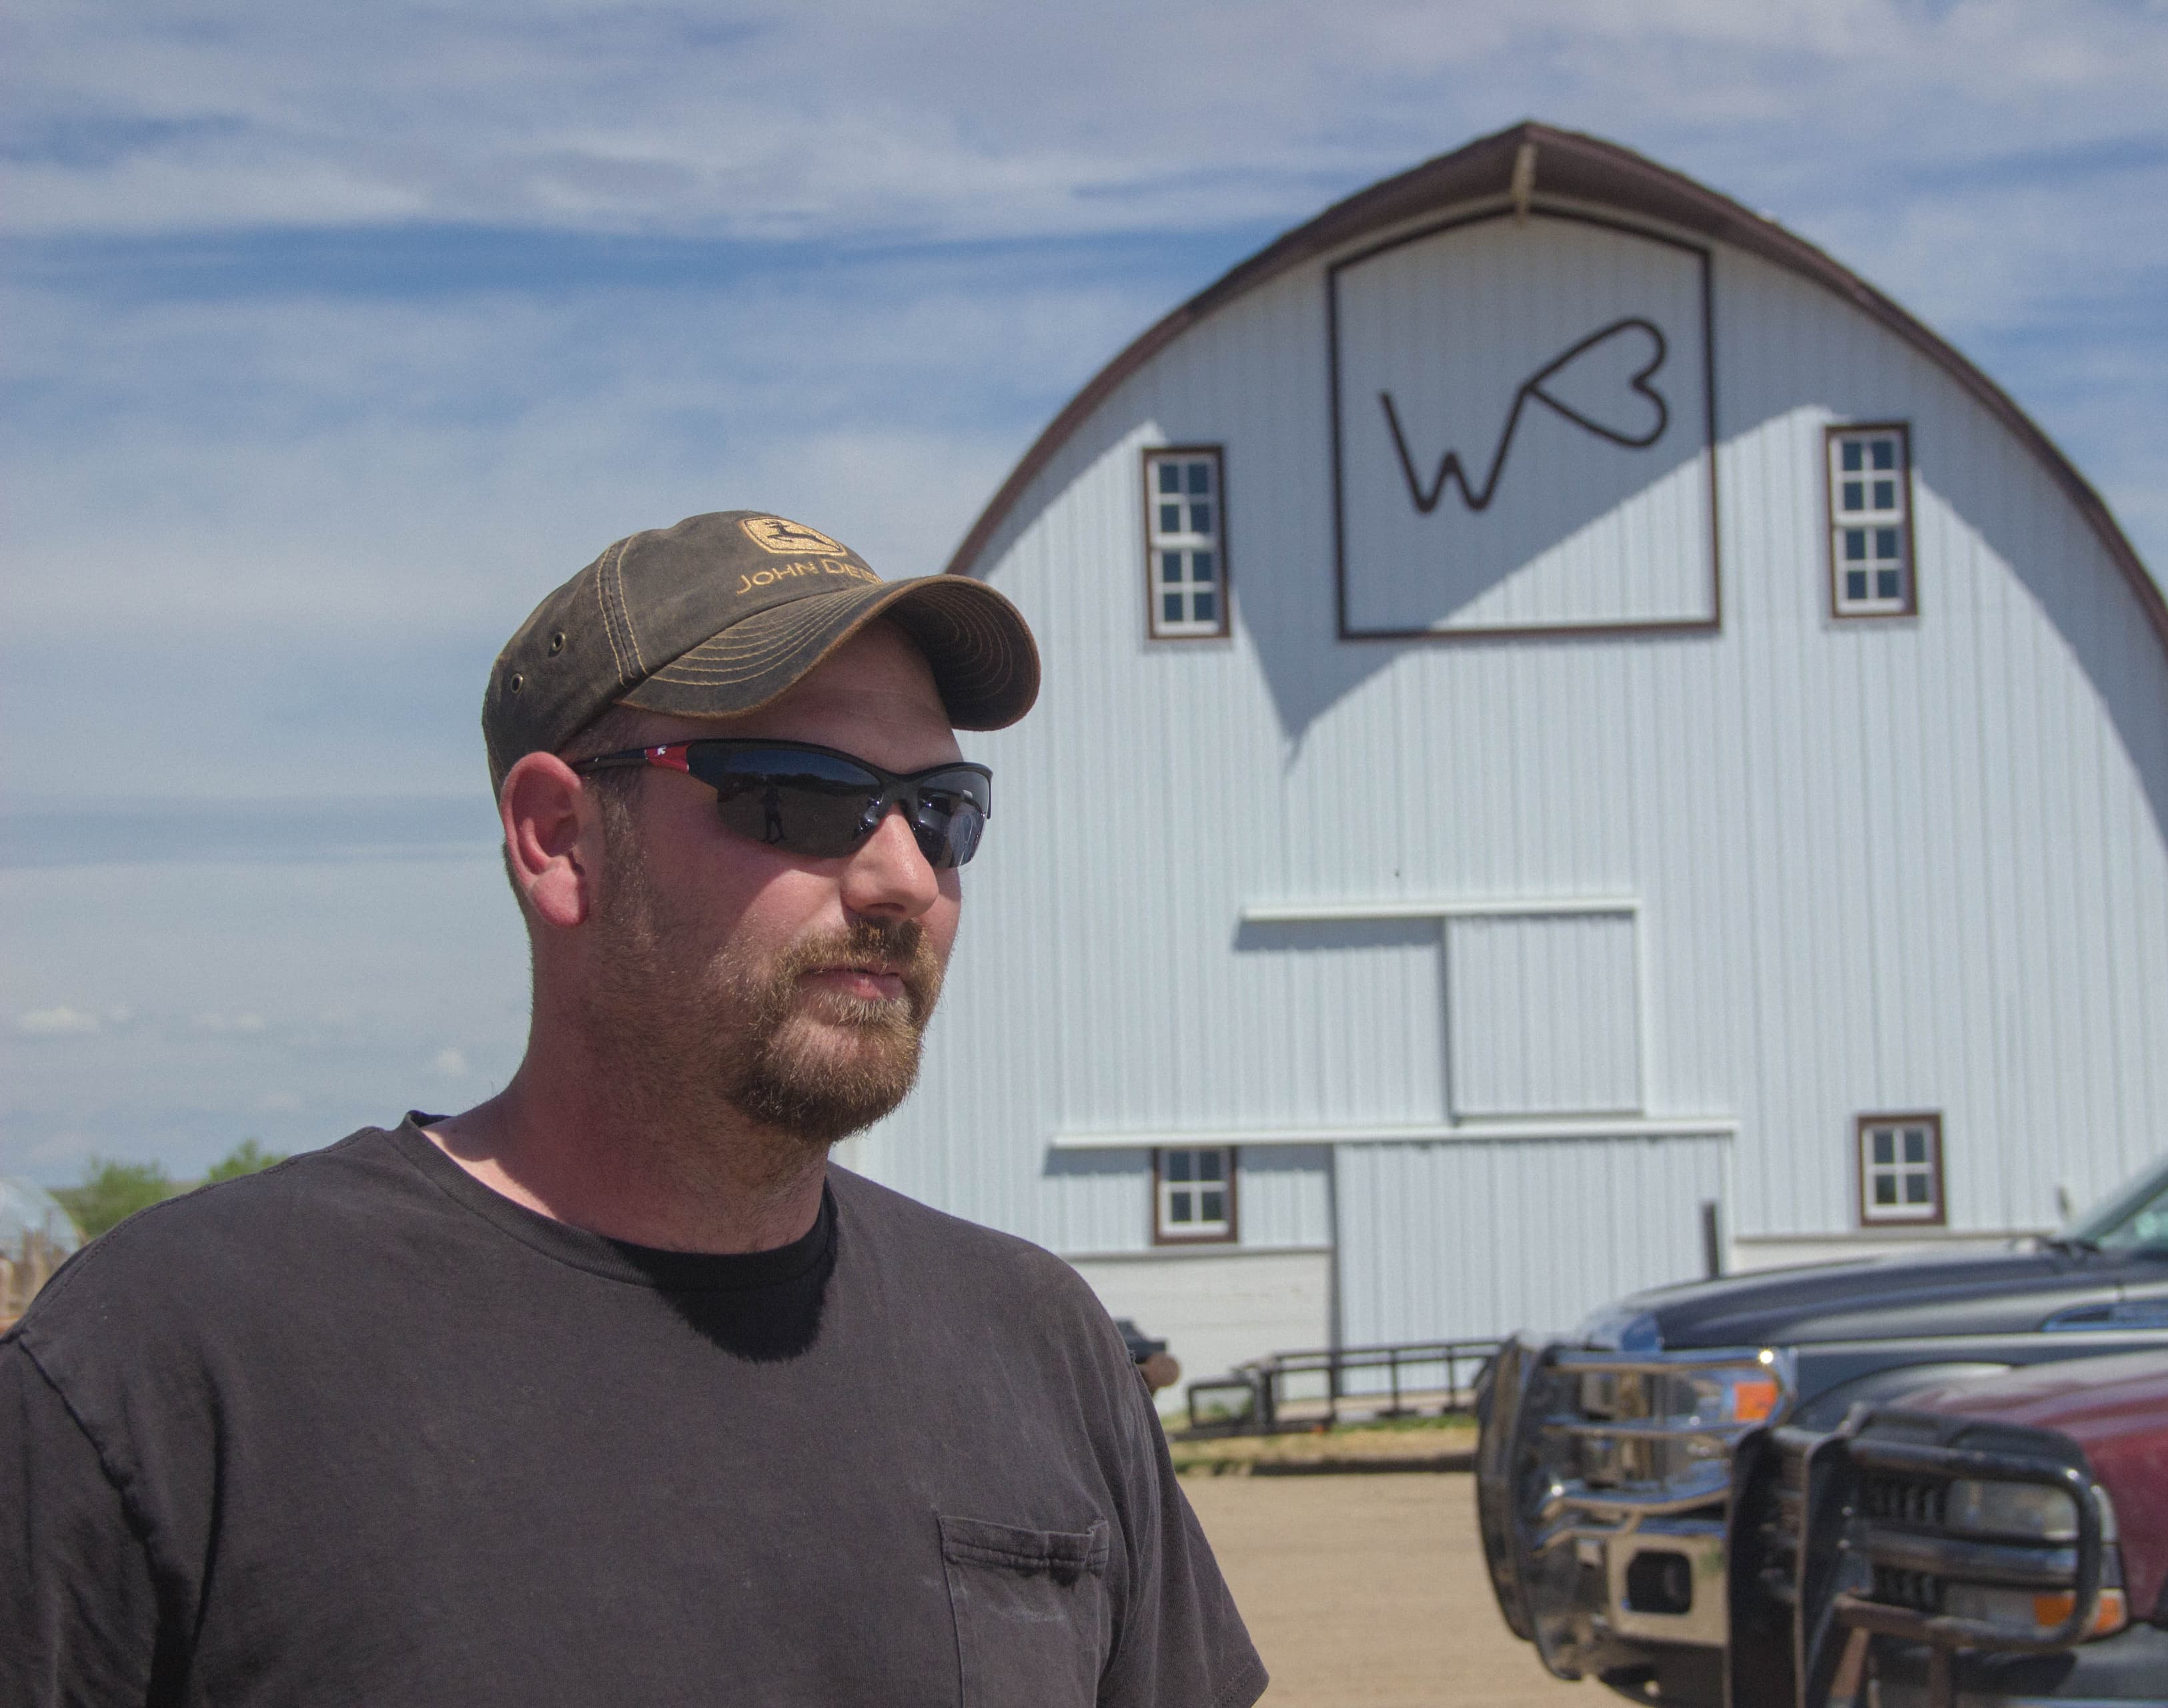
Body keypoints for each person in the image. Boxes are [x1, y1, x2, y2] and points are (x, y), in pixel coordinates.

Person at [1, 511, 1267, 1708]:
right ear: (559, 837)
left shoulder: (1037, 1347)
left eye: (944, 810)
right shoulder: (172, 1361)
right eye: (798, 792)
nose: (903, 877)